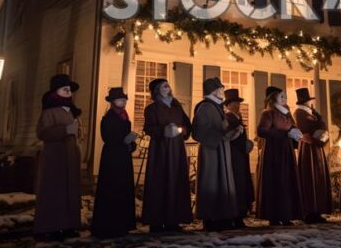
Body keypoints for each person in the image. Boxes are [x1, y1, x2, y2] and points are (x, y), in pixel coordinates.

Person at [34, 74, 83, 239]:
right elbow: (43, 132)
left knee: (69, 191)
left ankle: (68, 225)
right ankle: (51, 226)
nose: (69, 92)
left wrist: (77, 132)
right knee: (54, 191)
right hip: (55, 157)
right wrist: (65, 130)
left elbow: (75, 131)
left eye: (69, 89)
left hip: (70, 156)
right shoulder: (49, 112)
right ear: (56, 92)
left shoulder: (71, 111)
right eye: (65, 89)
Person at [141, 78, 193, 232]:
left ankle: (173, 220)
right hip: (161, 150)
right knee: (159, 181)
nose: (167, 87)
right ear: (157, 90)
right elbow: (149, 127)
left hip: (176, 149)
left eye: (168, 85)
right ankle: (156, 222)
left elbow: (187, 124)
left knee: (175, 180)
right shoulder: (152, 109)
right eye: (164, 86)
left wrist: (182, 131)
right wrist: (164, 131)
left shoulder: (177, 106)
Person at [192, 77, 243, 231]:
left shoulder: (218, 107)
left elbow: (223, 131)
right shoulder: (205, 107)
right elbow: (199, 131)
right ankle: (211, 217)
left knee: (223, 182)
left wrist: (233, 132)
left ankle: (223, 216)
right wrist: (221, 131)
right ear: (213, 91)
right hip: (211, 152)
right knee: (212, 181)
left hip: (222, 149)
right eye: (220, 89)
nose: (222, 91)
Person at [90, 87, 140, 238]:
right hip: (112, 158)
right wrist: (122, 141)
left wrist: (131, 144)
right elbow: (108, 137)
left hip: (123, 157)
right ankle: (109, 224)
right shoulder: (108, 118)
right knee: (112, 188)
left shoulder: (125, 117)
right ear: (113, 102)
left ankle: (123, 223)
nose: (123, 102)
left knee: (123, 188)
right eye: (120, 99)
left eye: (124, 100)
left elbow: (126, 136)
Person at [255, 86, 304, 226]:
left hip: (287, 151)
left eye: (285, 97)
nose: (285, 99)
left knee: (287, 181)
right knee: (276, 181)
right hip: (274, 152)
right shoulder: (268, 113)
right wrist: (284, 134)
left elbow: (293, 127)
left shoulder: (287, 113)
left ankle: (287, 215)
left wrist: (296, 133)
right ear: (274, 98)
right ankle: (274, 216)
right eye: (281, 96)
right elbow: (262, 131)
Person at [293, 87, 332, 223]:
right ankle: (309, 211)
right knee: (310, 176)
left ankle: (317, 210)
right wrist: (318, 123)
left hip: (315, 145)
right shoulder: (300, 112)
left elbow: (321, 125)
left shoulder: (311, 113)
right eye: (308, 101)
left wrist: (319, 124)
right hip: (308, 146)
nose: (310, 103)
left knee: (318, 177)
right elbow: (306, 129)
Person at [224, 88, 255, 228]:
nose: (237, 105)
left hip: (242, 155)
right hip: (233, 155)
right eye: (234, 103)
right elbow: (228, 136)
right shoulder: (228, 117)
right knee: (236, 183)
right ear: (228, 105)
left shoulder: (239, 117)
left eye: (238, 102)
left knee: (242, 183)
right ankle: (234, 216)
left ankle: (240, 215)